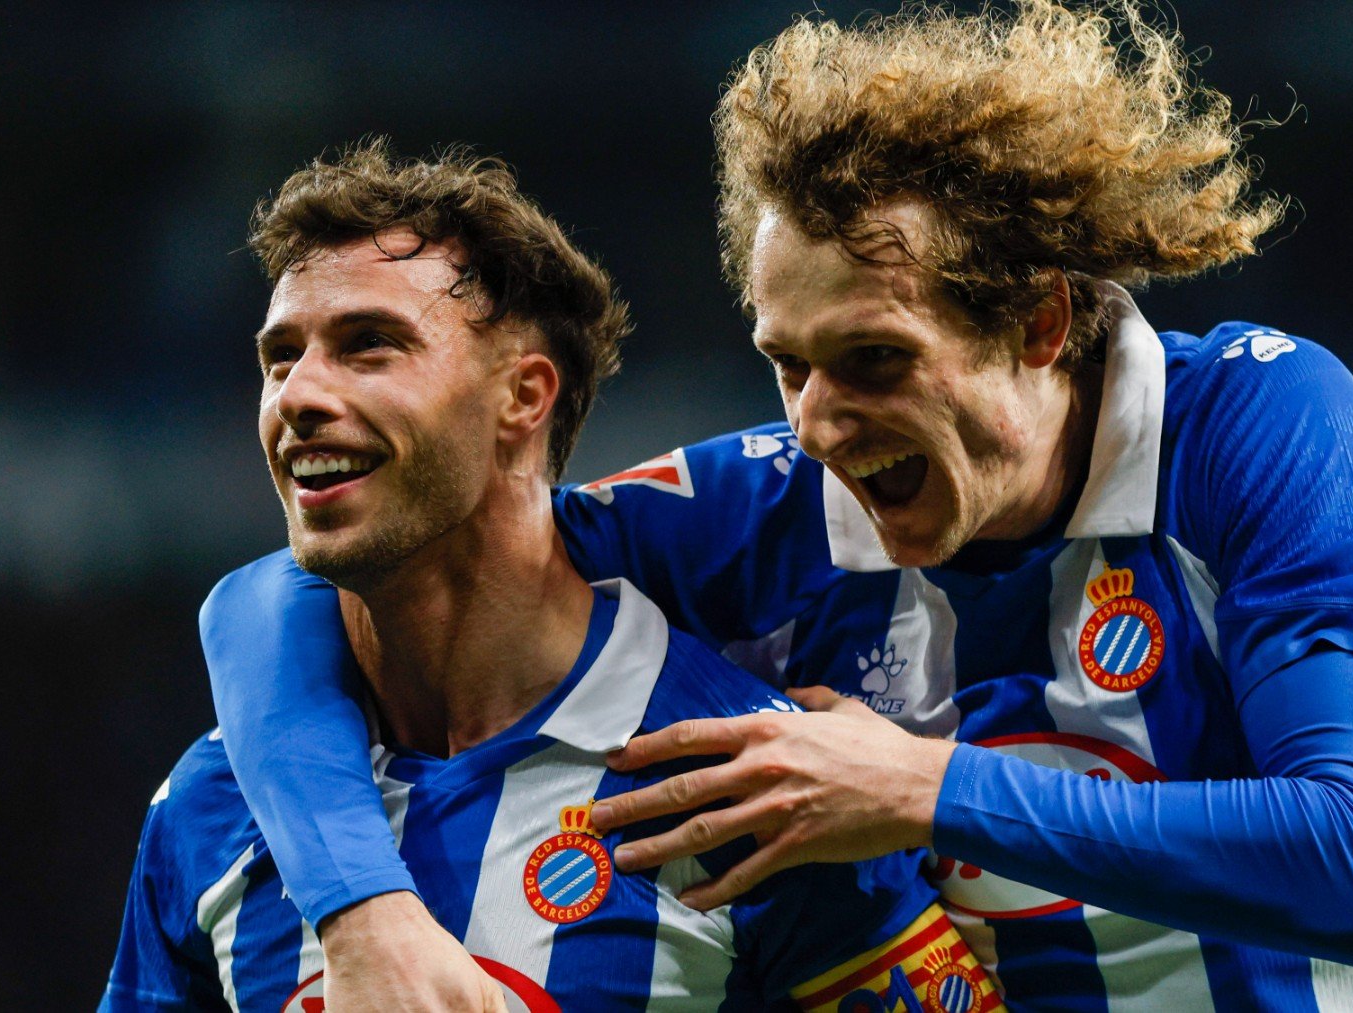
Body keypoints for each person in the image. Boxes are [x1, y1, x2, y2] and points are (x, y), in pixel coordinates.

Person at [200, 3, 1353, 1009]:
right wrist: (362, 905)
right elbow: (304, 591)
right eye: (786, 362)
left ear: (1036, 322)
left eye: (872, 360)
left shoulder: (1251, 428)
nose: (813, 422)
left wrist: (924, 788)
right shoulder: (770, 504)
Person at [100, 143, 1001, 1012]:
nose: (296, 394)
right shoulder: (216, 801)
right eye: (280, 356)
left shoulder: (755, 784)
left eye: (369, 345)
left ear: (523, 397)